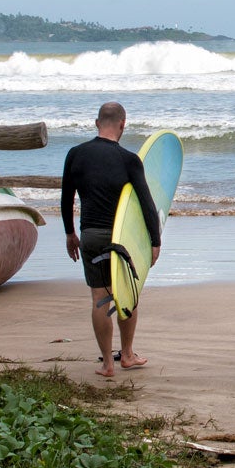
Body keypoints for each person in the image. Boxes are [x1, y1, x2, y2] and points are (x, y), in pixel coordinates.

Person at [61, 101, 160, 379]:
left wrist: (70, 233)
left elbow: (66, 197)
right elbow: (146, 203)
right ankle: (127, 354)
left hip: (90, 235)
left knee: (99, 298)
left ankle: (107, 363)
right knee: (129, 294)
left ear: (96, 123)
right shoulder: (129, 160)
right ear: (122, 125)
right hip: (121, 238)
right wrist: (155, 240)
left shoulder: (75, 154)